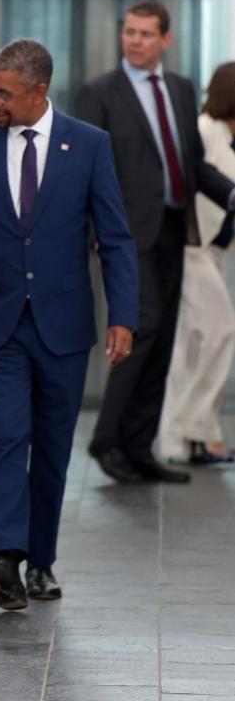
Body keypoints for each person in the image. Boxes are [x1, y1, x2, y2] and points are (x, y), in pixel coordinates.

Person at [0, 39, 139, 609]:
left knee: (52, 446)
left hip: (63, 325)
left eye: (4, 92)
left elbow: (116, 238)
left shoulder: (90, 145)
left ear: (39, 91)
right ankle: (5, 559)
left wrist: (124, 315)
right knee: (7, 439)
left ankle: (41, 562)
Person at [75, 0, 235, 485]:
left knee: (162, 337)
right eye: (130, 32)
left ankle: (139, 447)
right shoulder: (100, 92)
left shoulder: (182, 90)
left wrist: (231, 194)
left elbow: (189, 164)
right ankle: (107, 442)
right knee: (139, 330)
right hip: (124, 235)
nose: (135, 40)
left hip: (174, 227)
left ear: (166, 39)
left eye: (146, 33)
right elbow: (83, 173)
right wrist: (94, 235)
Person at [159, 61, 235, 465]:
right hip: (189, 250)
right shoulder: (206, 130)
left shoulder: (229, 135)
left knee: (189, 347)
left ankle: (179, 441)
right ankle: (195, 429)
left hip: (213, 251)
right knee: (221, 331)